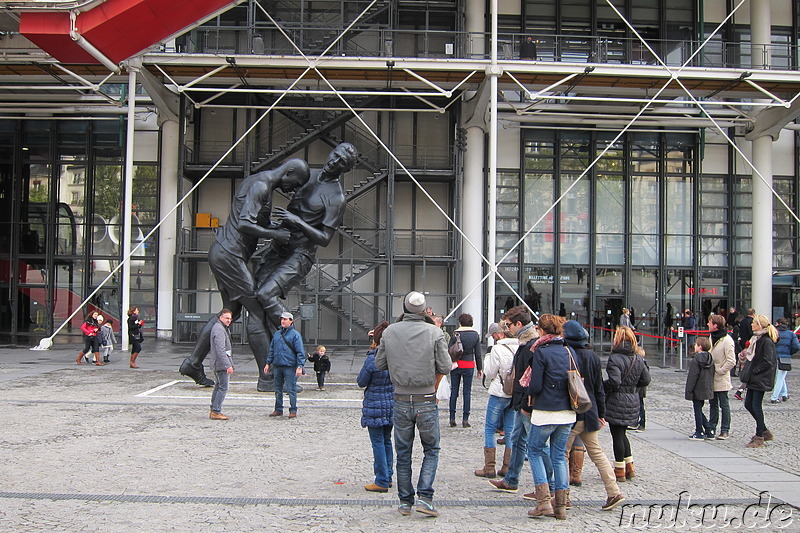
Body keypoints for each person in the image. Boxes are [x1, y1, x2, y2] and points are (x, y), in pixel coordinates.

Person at [179, 158, 311, 389]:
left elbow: (253, 221)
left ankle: (193, 362)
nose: (294, 189)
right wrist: (276, 236)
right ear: (288, 172)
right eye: (296, 182)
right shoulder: (260, 186)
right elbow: (244, 224)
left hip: (225, 254)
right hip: (230, 255)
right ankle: (267, 377)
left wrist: (275, 227)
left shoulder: (261, 184)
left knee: (230, 311)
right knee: (258, 311)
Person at [255, 143, 357, 331]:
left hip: (300, 254)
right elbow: (273, 180)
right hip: (279, 246)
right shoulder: (307, 173)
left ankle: (293, 344)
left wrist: (297, 221)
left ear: (346, 169)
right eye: (335, 155)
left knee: (266, 294)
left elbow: (325, 238)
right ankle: (269, 347)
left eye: (341, 162)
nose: (334, 162)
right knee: (256, 296)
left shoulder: (336, 198)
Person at [375, 291, 451, 518]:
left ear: (405, 308)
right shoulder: (435, 332)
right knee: (431, 449)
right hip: (426, 398)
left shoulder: (390, 332)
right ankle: (425, 498)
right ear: (424, 309)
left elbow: (379, 364)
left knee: (403, 452)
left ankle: (405, 501)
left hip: (400, 398)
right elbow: (446, 367)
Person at [562, 320, 625, 511]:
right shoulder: (593, 356)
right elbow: (599, 388)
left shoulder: (567, 355)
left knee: (561, 454)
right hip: (590, 411)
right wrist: (601, 413)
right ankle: (614, 492)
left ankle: (563, 497)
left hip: (571, 413)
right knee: (597, 453)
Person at [522, 314, 573, 520]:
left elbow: (534, 386)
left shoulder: (541, 352)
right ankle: (560, 505)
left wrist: (527, 398)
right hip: (567, 411)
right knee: (559, 456)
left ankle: (543, 502)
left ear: (542, 331)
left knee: (534, 451)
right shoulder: (568, 351)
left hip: (545, 411)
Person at [488, 305, 541, 495]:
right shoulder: (524, 343)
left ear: (519, 324)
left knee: (537, 446)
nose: (506, 328)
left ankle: (548, 487)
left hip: (527, 403)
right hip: (520, 401)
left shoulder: (531, 346)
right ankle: (511, 479)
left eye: (508, 324)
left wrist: (526, 403)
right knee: (518, 439)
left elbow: (531, 378)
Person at [604, 326, 651, 483]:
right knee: (622, 433)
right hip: (633, 398)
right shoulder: (638, 357)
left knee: (617, 435)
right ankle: (630, 466)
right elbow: (646, 379)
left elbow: (614, 381)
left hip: (617, 399)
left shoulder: (615, 358)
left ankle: (619, 470)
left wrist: (603, 387)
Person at [474, 322, 518, 479]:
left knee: (490, 428)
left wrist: (487, 358)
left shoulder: (497, 349)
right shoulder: (519, 347)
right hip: (514, 393)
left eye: (493, 335)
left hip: (499, 392)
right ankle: (507, 466)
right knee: (511, 431)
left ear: (499, 334)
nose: (492, 338)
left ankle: (489, 466)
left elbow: (490, 372)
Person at [357, 321, 394, 493]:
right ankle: (389, 476)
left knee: (378, 442)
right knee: (387, 441)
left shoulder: (373, 359)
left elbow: (361, 382)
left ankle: (381, 480)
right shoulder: (396, 358)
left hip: (375, 404)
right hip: (391, 404)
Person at [740, 315, 778, 447]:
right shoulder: (757, 339)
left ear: (760, 325)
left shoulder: (766, 341)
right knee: (748, 404)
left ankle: (760, 436)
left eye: (754, 323)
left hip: (760, 377)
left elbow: (768, 361)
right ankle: (764, 430)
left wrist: (755, 371)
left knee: (756, 406)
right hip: (754, 377)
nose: (751, 325)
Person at [264, 312, 306, 419]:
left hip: (290, 366)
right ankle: (278, 409)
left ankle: (293, 410)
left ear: (291, 321)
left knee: (291, 389)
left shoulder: (295, 335)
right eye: (282, 319)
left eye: (285, 319)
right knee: (278, 389)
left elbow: (300, 352)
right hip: (278, 365)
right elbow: (272, 350)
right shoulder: (277, 334)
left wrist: (300, 366)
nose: (283, 321)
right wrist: (268, 363)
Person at [448, 313, 482, 428]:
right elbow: (477, 353)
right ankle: (465, 419)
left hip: (456, 365)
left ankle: (452, 417)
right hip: (468, 365)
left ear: (460, 322)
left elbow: (450, 350)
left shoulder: (455, 334)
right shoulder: (475, 335)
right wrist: (480, 368)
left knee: (454, 391)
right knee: (467, 392)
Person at [707, 314, 736, 440]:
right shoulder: (711, 337)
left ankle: (725, 429)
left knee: (724, 404)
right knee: (712, 403)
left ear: (716, 325)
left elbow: (731, 361)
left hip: (721, 376)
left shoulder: (727, 340)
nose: (708, 324)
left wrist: (720, 370)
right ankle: (711, 427)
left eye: (710, 322)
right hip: (710, 376)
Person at [685, 337, 715, 439]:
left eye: (696, 345)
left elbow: (693, 376)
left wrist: (689, 390)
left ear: (700, 347)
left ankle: (699, 431)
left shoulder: (696, 359)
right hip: (706, 386)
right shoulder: (710, 358)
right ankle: (708, 429)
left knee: (697, 410)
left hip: (697, 387)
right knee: (699, 409)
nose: (694, 346)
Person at [208, 309, 234, 420]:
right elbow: (220, 349)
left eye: (230, 318)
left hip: (218, 363)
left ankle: (214, 409)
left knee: (218, 386)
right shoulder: (219, 329)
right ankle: (216, 411)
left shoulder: (220, 328)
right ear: (220, 318)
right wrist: (227, 365)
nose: (229, 320)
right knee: (223, 387)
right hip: (221, 364)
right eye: (226, 318)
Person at [770, 317, 798, 404]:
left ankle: (784, 394)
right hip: (785, 357)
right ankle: (774, 397)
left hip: (774, 357)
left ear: (778, 323)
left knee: (780, 377)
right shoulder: (791, 334)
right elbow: (796, 346)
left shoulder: (774, 333)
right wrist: (789, 353)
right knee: (781, 377)